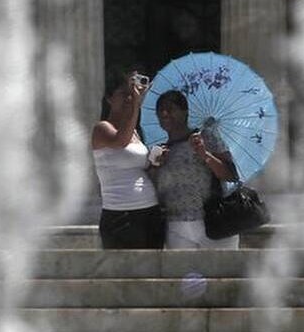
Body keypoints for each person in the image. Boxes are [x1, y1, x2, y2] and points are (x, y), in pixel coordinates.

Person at [149, 89, 240, 249]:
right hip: (176, 226)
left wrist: (204, 154)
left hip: (213, 222)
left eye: (170, 108)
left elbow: (231, 175)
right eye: (160, 110)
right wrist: (156, 167)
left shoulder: (206, 137)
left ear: (185, 112)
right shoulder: (160, 151)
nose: (164, 113)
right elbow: (156, 192)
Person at [91, 72, 166, 249]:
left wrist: (155, 162)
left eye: (131, 94)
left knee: (153, 271)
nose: (129, 98)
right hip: (120, 213)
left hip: (149, 210)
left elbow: (142, 169)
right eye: (124, 94)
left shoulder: (134, 132)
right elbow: (119, 141)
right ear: (109, 98)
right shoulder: (101, 128)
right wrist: (136, 106)